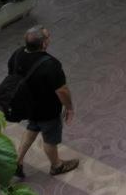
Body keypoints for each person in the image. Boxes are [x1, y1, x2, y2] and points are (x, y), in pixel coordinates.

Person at [9, 26, 78, 178]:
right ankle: (57, 166)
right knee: (50, 139)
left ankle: (17, 162)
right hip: (47, 110)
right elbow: (62, 91)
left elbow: (12, 76)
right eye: (48, 37)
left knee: (32, 128)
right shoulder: (50, 64)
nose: (49, 38)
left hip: (27, 106)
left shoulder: (17, 54)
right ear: (44, 44)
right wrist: (69, 107)